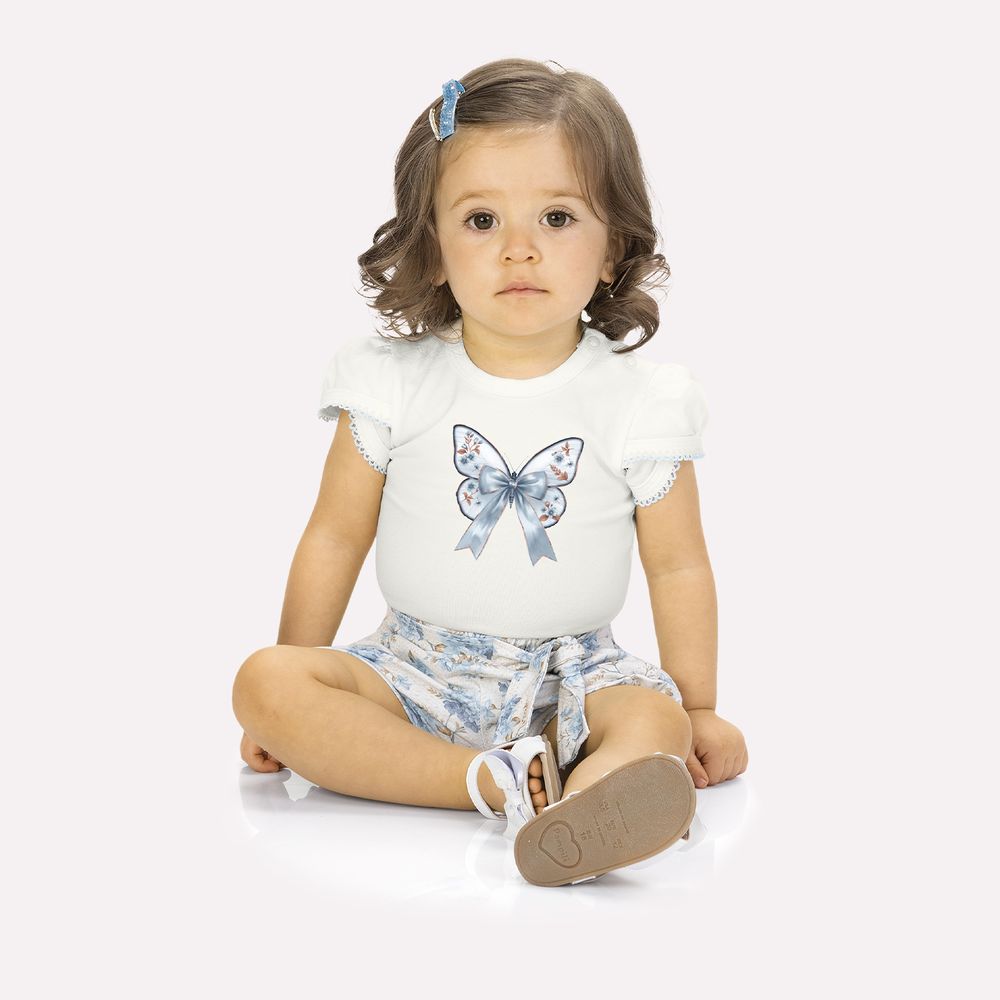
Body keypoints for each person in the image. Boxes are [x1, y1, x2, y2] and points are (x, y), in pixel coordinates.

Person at [231, 58, 748, 887]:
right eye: (480, 220)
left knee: (651, 721)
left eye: (557, 217)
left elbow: (678, 564)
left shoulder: (639, 399)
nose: (519, 249)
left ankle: (605, 794)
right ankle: (487, 780)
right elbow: (334, 536)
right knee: (266, 681)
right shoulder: (390, 383)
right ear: (432, 247)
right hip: (411, 673)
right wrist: (297, 679)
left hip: (576, 678)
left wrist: (697, 707)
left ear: (612, 246)